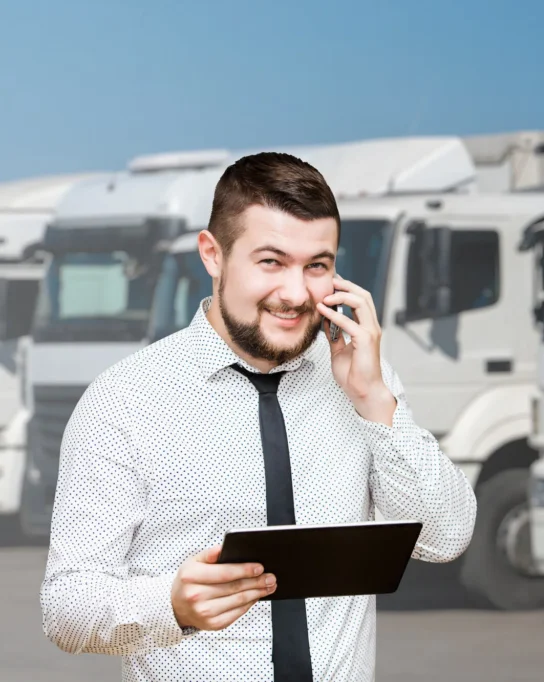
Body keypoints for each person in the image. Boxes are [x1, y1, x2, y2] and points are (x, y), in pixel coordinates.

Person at [39, 152, 478, 681]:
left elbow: (446, 538)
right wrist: (170, 605)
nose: (295, 294)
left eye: (317, 265)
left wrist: (375, 402)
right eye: (271, 261)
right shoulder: (125, 401)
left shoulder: (363, 378)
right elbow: (67, 605)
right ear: (213, 254)